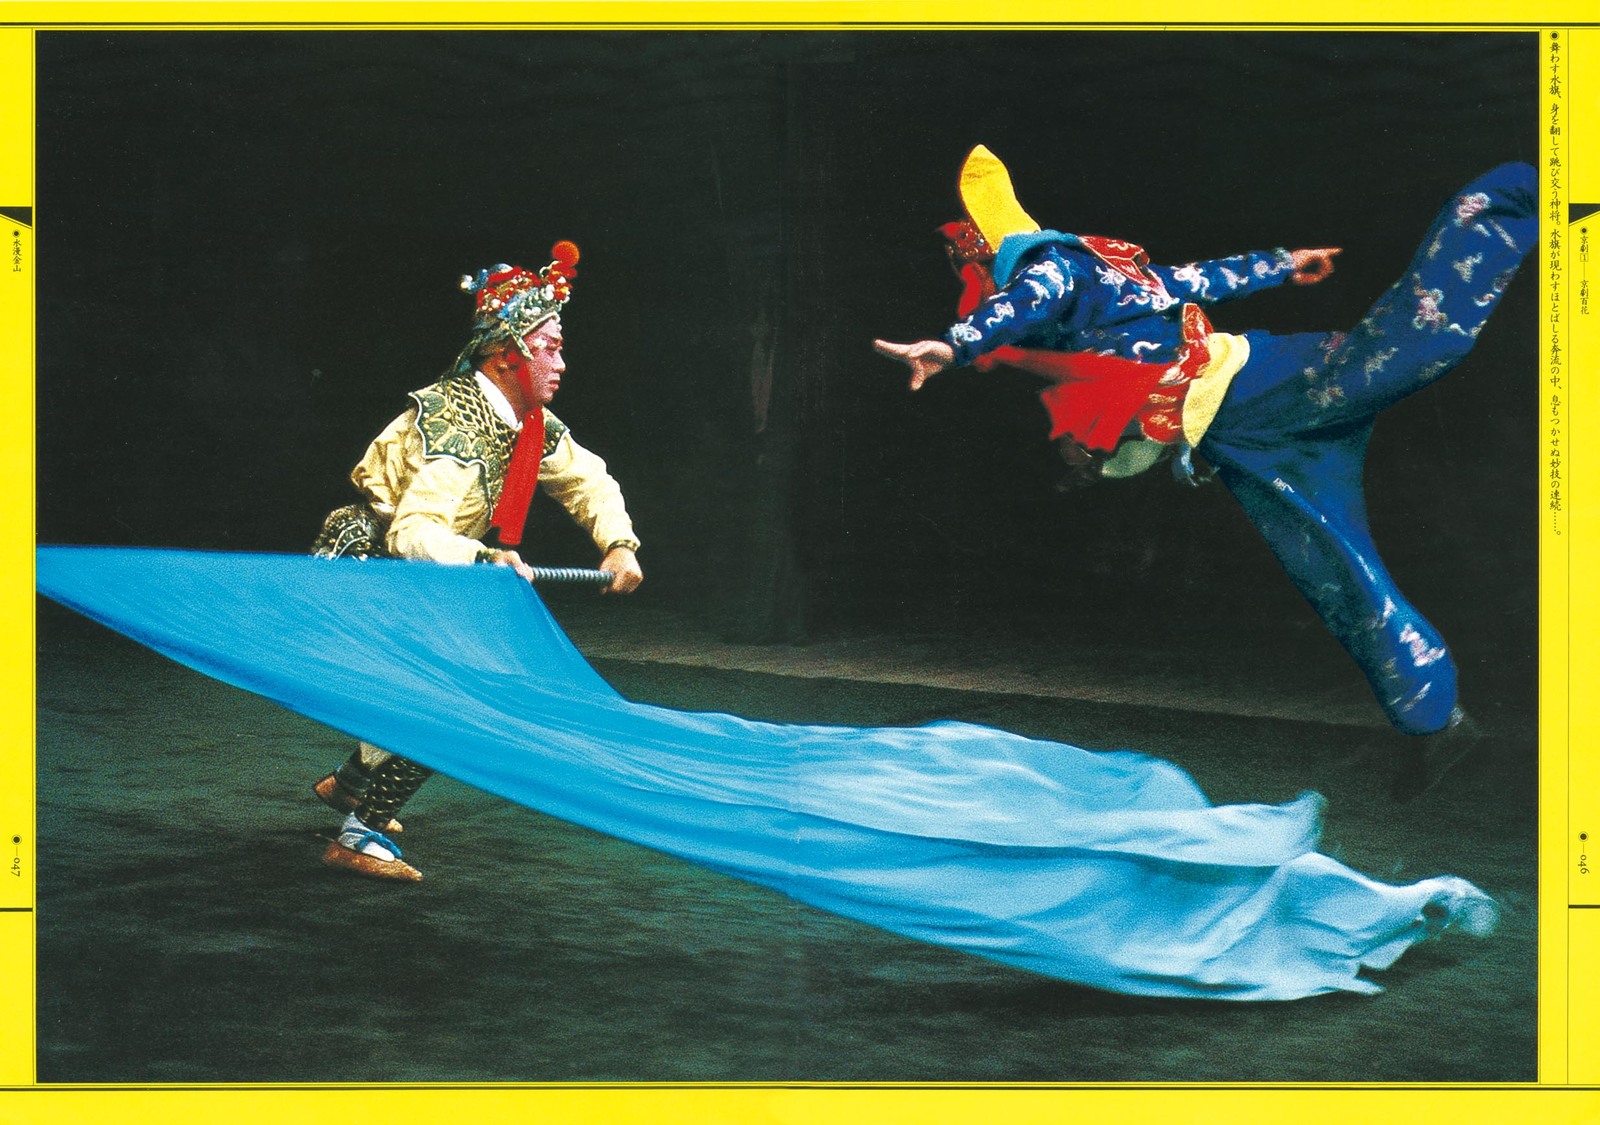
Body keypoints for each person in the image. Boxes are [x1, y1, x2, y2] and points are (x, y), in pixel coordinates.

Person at [875, 146, 1535, 797]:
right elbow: (1196, 280)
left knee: (1412, 343)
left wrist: (953, 345)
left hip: (1256, 386)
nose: (978, 282)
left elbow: (1023, 303)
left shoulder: (1048, 268)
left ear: (989, 250)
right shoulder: (1103, 277)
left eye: (971, 266)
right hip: (1240, 436)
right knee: (1330, 566)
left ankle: (1512, 196)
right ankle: (1436, 722)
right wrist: (1283, 263)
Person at [309, 244, 644, 880]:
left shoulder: (527, 422)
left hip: (431, 567)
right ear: (506, 354)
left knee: (438, 694)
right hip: (374, 564)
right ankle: (359, 834)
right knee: (454, 699)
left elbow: (588, 478)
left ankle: (349, 787)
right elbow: (412, 532)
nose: (561, 363)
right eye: (549, 348)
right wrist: (486, 557)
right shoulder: (458, 424)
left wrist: (619, 543)